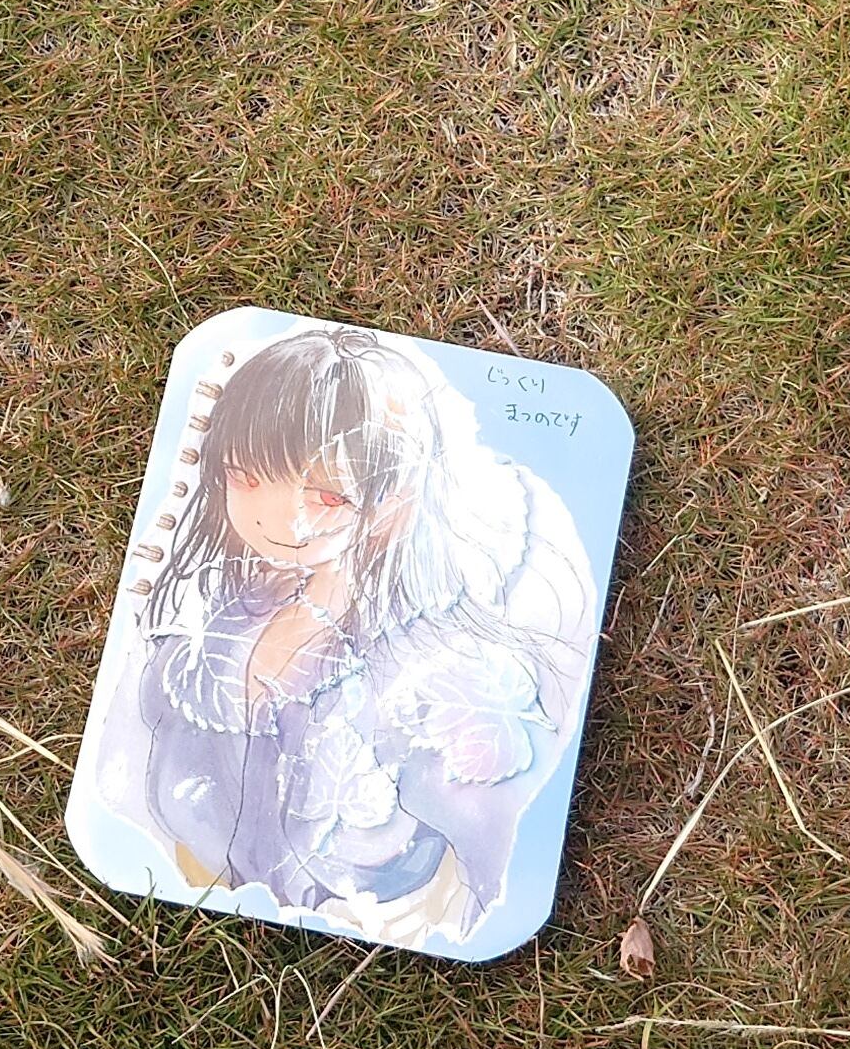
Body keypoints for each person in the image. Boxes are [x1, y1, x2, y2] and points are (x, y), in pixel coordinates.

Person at [106, 324, 596, 945]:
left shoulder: (431, 663)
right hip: (198, 882)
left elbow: (490, 834)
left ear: (394, 503)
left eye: (328, 497)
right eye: (246, 478)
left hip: (369, 917)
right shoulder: (224, 616)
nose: (279, 520)